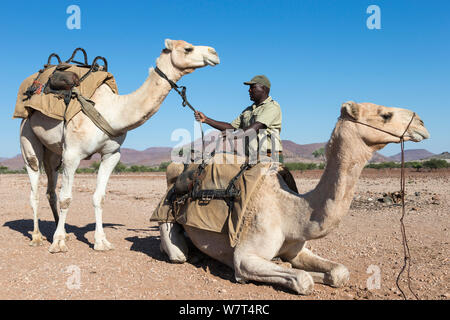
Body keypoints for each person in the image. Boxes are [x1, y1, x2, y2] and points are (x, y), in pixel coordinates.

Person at [194, 75, 282, 162]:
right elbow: (231, 127)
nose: (249, 90)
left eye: (253, 87)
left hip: (270, 156)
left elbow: (256, 127)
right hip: (251, 156)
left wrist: (233, 136)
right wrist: (206, 120)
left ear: (264, 89)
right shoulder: (248, 110)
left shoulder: (272, 107)